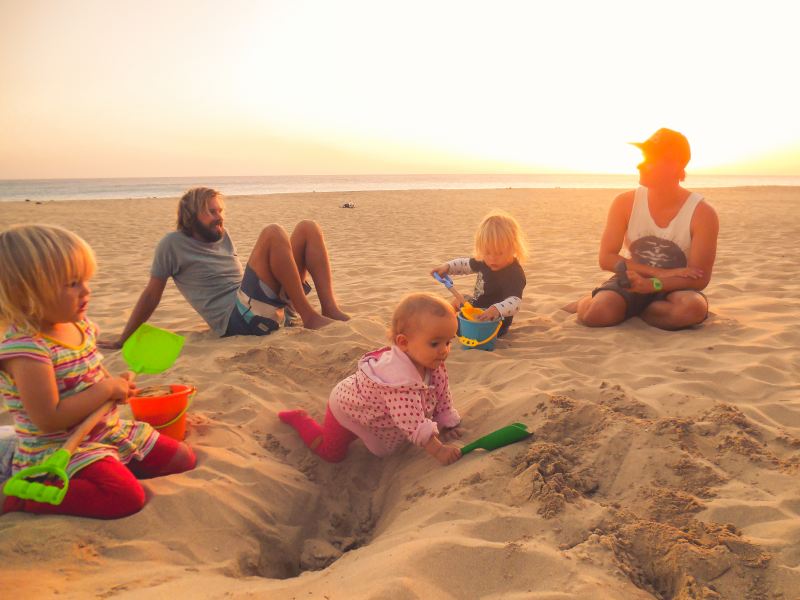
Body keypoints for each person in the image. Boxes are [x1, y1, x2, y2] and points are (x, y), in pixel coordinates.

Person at [0, 225, 196, 519]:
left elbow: (91, 372)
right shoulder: (29, 350)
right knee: (125, 497)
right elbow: (48, 419)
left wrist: (115, 384)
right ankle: (17, 498)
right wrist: (105, 390)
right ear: (28, 293)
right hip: (61, 446)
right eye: (73, 283)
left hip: (106, 431)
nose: (87, 290)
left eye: (86, 280)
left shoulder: (78, 325)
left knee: (182, 458)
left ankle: (112, 464)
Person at [104, 187, 349, 347]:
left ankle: (329, 309)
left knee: (308, 227)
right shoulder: (172, 245)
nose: (219, 216)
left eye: (220, 210)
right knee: (273, 233)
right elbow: (150, 295)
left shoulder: (222, 235)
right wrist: (123, 339)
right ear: (190, 216)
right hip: (237, 321)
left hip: (262, 308)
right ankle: (309, 316)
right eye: (211, 212)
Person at [278, 293, 463, 466]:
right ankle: (300, 418)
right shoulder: (396, 380)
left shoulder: (432, 361)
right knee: (332, 454)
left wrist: (446, 424)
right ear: (403, 343)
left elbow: (441, 393)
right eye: (434, 343)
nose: (444, 350)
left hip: (371, 411)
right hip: (346, 410)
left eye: (448, 342)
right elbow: (413, 423)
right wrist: (439, 451)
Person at [573, 128, 719, 329]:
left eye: (650, 159)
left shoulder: (703, 213)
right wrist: (656, 273)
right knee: (596, 314)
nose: (640, 164)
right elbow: (606, 258)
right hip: (632, 279)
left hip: (676, 289)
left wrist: (654, 284)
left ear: (674, 166)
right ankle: (590, 301)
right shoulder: (624, 202)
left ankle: (634, 308)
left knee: (692, 309)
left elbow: (698, 279)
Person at [431, 210, 527, 337]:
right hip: (475, 309)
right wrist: (447, 267)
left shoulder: (514, 273)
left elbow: (515, 302)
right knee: (459, 299)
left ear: (513, 248)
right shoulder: (485, 261)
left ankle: (445, 327)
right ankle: (444, 322)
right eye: (487, 252)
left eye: (499, 253)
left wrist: (496, 309)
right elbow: (464, 265)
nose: (492, 258)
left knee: (454, 326)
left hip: (493, 323)